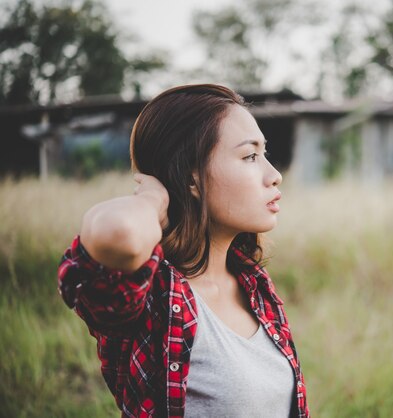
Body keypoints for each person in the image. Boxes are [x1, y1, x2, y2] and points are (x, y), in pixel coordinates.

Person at [57, 84, 309, 418]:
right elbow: (117, 233)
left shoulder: (253, 282)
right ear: (192, 179)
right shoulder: (153, 298)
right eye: (249, 156)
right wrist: (153, 199)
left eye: (264, 154)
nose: (274, 175)